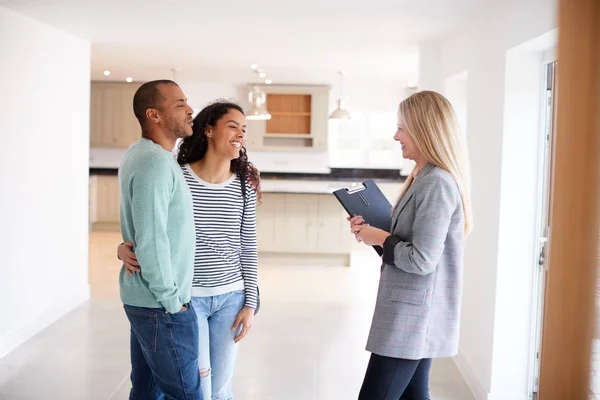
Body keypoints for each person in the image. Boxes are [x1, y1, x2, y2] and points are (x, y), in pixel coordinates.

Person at [118, 100, 260, 400]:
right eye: (232, 126)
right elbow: (149, 224)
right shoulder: (177, 175)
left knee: (221, 389)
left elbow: (248, 244)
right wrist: (123, 247)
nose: (240, 134)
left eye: (244, 129)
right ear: (208, 130)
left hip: (231, 298)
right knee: (199, 387)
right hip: (188, 298)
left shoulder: (244, 185)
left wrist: (251, 303)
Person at [349, 90, 473, 400]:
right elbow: (408, 247)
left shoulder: (437, 182)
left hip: (412, 317)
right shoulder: (424, 176)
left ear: (424, 129)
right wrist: (373, 235)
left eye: (401, 127)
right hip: (412, 313)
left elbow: (421, 260)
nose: (395, 136)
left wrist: (380, 237)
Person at [118, 79, 202, 399]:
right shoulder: (154, 162)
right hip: (160, 304)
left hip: (148, 301)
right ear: (153, 114)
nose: (190, 109)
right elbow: (152, 239)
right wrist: (173, 303)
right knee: (186, 393)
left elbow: (142, 226)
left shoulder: (146, 154)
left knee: (147, 391)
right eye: (179, 104)